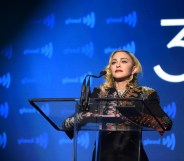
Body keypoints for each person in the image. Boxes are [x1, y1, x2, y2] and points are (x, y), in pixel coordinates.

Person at [62, 49, 172, 161]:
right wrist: (84, 116)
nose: (118, 65)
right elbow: (66, 124)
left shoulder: (146, 93)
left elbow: (165, 123)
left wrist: (132, 115)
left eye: (124, 61)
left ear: (134, 69)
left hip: (134, 155)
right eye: (113, 62)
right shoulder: (99, 93)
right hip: (103, 155)